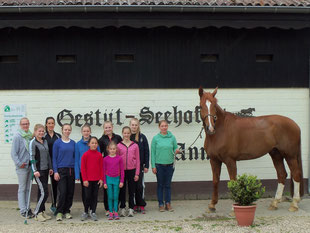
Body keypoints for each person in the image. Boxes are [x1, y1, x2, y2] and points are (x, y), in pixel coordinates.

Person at [151, 120, 180, 212]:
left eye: (165, 126)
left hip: (170, 165)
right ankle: (160, 204)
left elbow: (175, 147)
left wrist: (176, 150)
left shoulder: (172, 137)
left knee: (167, 185)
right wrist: (153, 166)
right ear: (159, 127)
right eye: (162, 126)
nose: (164, 127)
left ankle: (168, 203)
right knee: (160, 185)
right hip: (159, 165)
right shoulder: (156, 138)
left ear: (167, 127)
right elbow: (153, 153)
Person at [11, 117, 35, 218]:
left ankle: (27, 208)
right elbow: (13, 153)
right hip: (22, 167)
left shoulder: (30, 136)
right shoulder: (18, 136)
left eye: (27, 124)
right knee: (22, 188)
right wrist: (19, 163)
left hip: (30, 166)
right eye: (23, 124)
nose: (25, 125)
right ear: (21, 125)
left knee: (28, 189)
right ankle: (22, 209)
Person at [29, 124, 53, 222]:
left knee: (41, 191)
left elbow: (48, 156)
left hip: (46, 170)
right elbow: (32, 157)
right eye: (39, 131)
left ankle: (42, 212)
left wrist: (50, 168)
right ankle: (37, 212)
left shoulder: (45, 141)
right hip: (38, 171)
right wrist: (35, 171)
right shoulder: (33, 142)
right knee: (44, 193)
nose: (41, 133)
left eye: (43, 131)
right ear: (35, 132)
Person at [98, 121, 122, 215]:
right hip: (107, 165)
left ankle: (116, 208)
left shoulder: (118, 138)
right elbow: (100, 154)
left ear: (112, 127)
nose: (108, 129)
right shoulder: (101, 140)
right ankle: (107, 209)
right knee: (107, 189)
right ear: (103, 129)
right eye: (106, 128)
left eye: (109, 127)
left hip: (116, 165)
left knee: (116, 191)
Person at [53, 123, 75, 221]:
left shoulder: (73, 143)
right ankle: (59, 212)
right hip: (61, 170)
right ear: (62, 130)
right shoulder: (57, 143)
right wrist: (55, 171)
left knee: (70, 192)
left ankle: (67, 211)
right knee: (62, 192)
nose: (67, 131)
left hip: (71, 170)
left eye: (69, 130)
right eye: (65, 129)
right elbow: (54, 158)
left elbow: (76, 157)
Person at [118, 126, 140, 217]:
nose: (126, 135)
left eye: (128, 133)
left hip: (132, 170)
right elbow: (117, 160)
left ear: (130, 134)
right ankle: (122, 208)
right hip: (122, 171)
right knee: (122, 190)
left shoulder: (135, 145)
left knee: (132, 190)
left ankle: (131, 208)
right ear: (122, 134)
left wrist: (137, 173)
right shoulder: (119, 145)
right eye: (125, 133)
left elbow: (138, 160)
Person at [129, 118, 149, 214]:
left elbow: (146, 152)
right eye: (132, 125)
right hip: (130, 167)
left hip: (140, 166)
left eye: (135, 125)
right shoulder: (127, 137)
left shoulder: (142, 137)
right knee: (132, 187)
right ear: (130, 126)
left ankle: (141, 204)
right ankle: (133, 205)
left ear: (138, 126)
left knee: (140, 186)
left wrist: (146, 165)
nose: (134, 127)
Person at [80, 137, 103, 221]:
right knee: (87, 196)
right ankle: (86, 211)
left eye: (95, 143)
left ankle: (93, 211)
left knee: (94, 196)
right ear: (88, 144)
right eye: (92, 143)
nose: (94, 145)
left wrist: (101, 179)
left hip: (96, 180)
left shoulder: (99, 155)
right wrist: (85, 179)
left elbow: (101, 168)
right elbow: (83, 168)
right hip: (88, 180)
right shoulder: (85, 155)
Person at [74, 123, 93, 220]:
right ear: (82, 132)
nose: (86, 133)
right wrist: (77, 173)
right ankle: (86, 209)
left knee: (92, 192)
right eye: (84, 131)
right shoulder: (78, 144)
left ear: (90, 132)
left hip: (93, 173)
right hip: (83, 173)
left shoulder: (94, 142)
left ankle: (92, 209)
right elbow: (77, 160)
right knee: (85, 192)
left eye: (88, 131)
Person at [103, 141, 124, 220]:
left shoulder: (119, 158)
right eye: (111, 149)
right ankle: (110, 211)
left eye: (114, 149)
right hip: (108, 179)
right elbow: (103, 171)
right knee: (110, 196)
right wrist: (105, 182)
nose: (112, 150)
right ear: (108, 149)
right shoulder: (105, 159)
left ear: (116, 149)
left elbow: (122, 170)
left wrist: (121, 181)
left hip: (117, 179)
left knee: (116, 196)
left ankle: (116, 211)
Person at [44, 117, 61, 214]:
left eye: (52, 123)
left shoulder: (58, 136)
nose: (51, 125)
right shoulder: (43, 136)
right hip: (44, 164)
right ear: (46, 124)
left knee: (55, 185)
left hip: (55, 164)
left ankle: (54, 204)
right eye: (49, 123)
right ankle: (41, 209)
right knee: (45, 186)